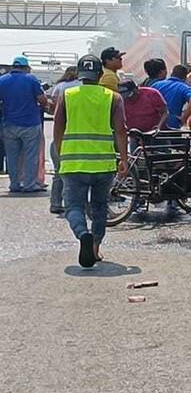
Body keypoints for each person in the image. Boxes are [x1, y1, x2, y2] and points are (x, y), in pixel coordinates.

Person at [54, 55, 128, 269]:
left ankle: (82, 233)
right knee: (99, 207)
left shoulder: (68, 95)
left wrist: (61, 154)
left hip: (74, 164)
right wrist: (123, 159)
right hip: (103, 164)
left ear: (79, 74)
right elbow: (121, 131)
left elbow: (58, 127)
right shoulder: (113, 97)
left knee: (74, 206)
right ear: (100, 74)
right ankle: (95, 247)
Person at [0, 55, 49, 193]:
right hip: (30, 124)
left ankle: (14, 184)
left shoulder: (2, 80)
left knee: (12, 157)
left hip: (9, 124)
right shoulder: (31, 79)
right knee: (30, 155)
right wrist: (45, 105)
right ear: (26, 67)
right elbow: (42, 99)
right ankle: (29, 185)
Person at [45, 66, 80, 214]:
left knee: (59, 172)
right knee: (79, 173)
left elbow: (52, 109)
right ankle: (77, 204)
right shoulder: (81, 86)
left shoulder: (59, 87)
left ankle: (56, 203)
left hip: (61, 134)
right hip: (77, 135)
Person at [152, 64, 191, 130]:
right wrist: (184, 118)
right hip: (172, 125)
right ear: (185, 77)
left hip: (155, 124)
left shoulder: (156, 85)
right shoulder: (184, 88)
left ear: (172, 74)